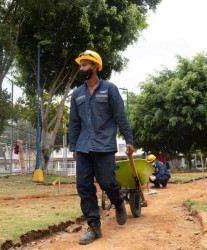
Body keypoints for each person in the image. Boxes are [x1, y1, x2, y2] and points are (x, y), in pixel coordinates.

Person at [69, 50, 135, 245]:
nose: (81, 69)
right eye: (80, 65)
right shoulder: (77, 94)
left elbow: (120, 117)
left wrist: (129, 140)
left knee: (107, 182)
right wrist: (73, 145)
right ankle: (94, 227)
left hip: (104, 145)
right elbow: (73, 122)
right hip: (83, 146)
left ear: (95, 67)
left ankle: (118, 201)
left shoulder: (110, 89)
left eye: (85, 65)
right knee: (83, 186)